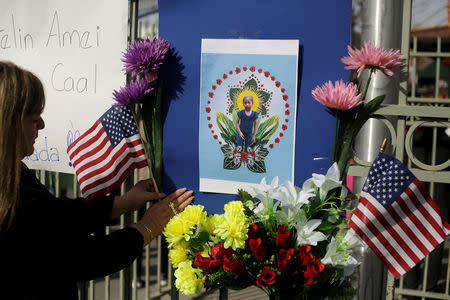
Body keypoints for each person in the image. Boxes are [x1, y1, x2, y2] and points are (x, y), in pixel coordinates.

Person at [0, 61, 194, 300]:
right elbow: (80, 258)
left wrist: (121, 203)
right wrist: (145, 228)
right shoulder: (12, 196)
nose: (41, 125)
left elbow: (57, 215)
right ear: (8, 123)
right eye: (33, 118)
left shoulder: (13, 177)